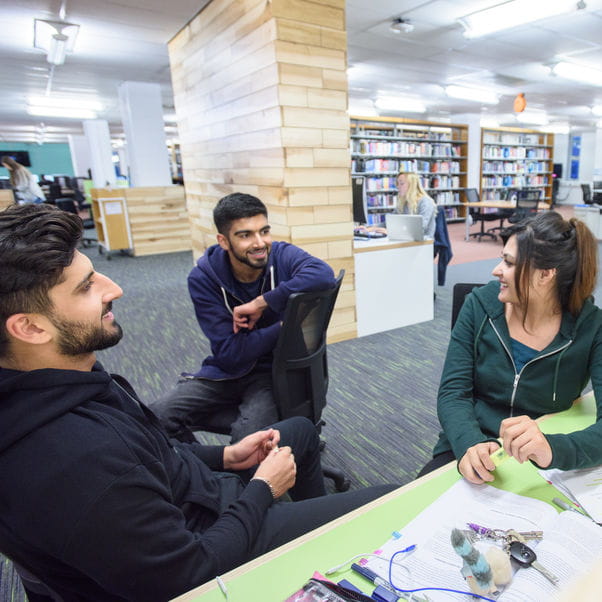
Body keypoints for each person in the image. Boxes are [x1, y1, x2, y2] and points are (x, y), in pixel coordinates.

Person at [0, 203, 395, 601]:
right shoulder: (73, 461)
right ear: (30, 327)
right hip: (213, 539)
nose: (114, 289)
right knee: (391, 503)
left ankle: (327, 542)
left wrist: (226, 458)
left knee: (300, 430)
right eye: (86, 286)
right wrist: (262, 488)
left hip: (211, 491)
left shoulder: (78, 377)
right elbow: (189, 575)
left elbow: (155, 453)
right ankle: (324, 537)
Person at [420, 210, 602, 484]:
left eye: (509, 262)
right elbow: (453, 392)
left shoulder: (591, 327)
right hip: (471, 446)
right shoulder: (479, 305)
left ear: (546, 275)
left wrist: (553, 448)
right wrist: (469, 443)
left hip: (539, 457)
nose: (496, 271)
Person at [154, 192, 336, 443]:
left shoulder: (281, 256)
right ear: (224, 241)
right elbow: (230, 353)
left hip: (274, 374)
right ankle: (202, 472)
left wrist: (262, 302)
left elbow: (323, 274)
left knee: (248, 439)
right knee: (155, 418)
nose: (260, 243)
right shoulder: (203, 279)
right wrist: (285, 326)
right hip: (226, 372)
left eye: (264, 231)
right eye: (245, 235)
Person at [358, 171, 437, 238]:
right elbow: (389, 222)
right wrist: (370, 228)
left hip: (423, 245)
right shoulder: (404, 202)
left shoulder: (425, 202)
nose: (398, 187)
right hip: (406, 242)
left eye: (401, 184)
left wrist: (391, 232)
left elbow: (419, 230)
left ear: (412, 186)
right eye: (397, 184)